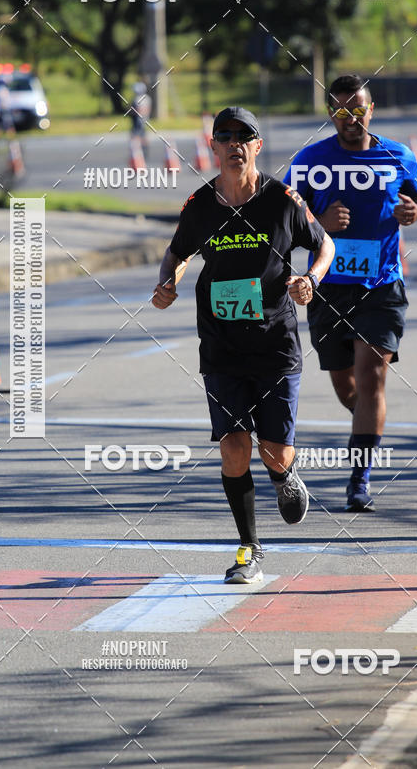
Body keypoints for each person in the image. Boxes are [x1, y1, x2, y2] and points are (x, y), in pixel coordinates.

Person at [153, 106, 334, 583]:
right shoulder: (201, 205)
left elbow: (325, 244)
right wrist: (168, 282)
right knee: (234, 446)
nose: (234, 144)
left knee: (274, 451)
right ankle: (248, 548)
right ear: (212, 147)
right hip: (220, 344)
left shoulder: (281, 200)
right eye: (225, 136)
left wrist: (310, 280)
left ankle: (283, 476)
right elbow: (177, 252)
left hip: (274, 342)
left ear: (257, 146)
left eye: (244, 136)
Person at [284, 75, 417, 512]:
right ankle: (367, 426)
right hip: (327, 286)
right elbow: (284, 211)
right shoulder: (311, 159)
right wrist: (318, 221)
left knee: (371, 380)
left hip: (381, 284)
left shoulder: (397, 155)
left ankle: (359, 478)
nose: (351, 117)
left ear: (372, 108)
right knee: (347, 387)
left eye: (358, 108)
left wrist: (414, 211)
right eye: (341, 110)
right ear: (331, 114)